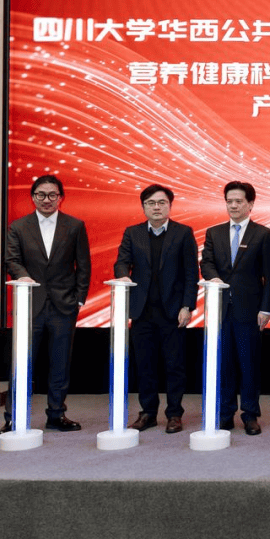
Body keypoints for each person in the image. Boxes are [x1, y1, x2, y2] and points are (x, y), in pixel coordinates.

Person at [0, 175, 91, 437]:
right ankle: (14, 419)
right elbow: (12, 260)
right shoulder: (19, 226)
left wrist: (79, 299)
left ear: (61, 197)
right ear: (33, 197)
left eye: (52, 195)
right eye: (41, 194)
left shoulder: (75, 226)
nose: (46, 199)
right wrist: (23, 276)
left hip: (64, 306)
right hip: (31, 305)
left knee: (60, 364)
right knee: (22, 364)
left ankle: (56, 414)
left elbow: (83, 265)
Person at [114, 184, 198, 434]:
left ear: (170, 206)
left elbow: (191, 272)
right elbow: (122, 262)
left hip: (173, 311)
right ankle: (148, 413)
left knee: (175, 366)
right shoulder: (133, 232)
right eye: (151, 203)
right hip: (142, 311)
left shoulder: (183, 233)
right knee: (145, 365)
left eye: (162, 202)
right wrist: (123, 276)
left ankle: (174, 414)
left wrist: (187, 306)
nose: (157, 207)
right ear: (143, 207)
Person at [200, 181, 270, 436]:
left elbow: (269, 276)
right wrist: (213, 278)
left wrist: (266, 309)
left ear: (250, 204)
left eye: (238, 201)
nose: (233, 206)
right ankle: (225, 414)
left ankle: (250, 414)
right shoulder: (214, 233)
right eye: (229, 201)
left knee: (249, 364)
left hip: (250, 310)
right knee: (224, 363)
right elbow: (206, 263)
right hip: (221, 309)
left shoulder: (262, 234)